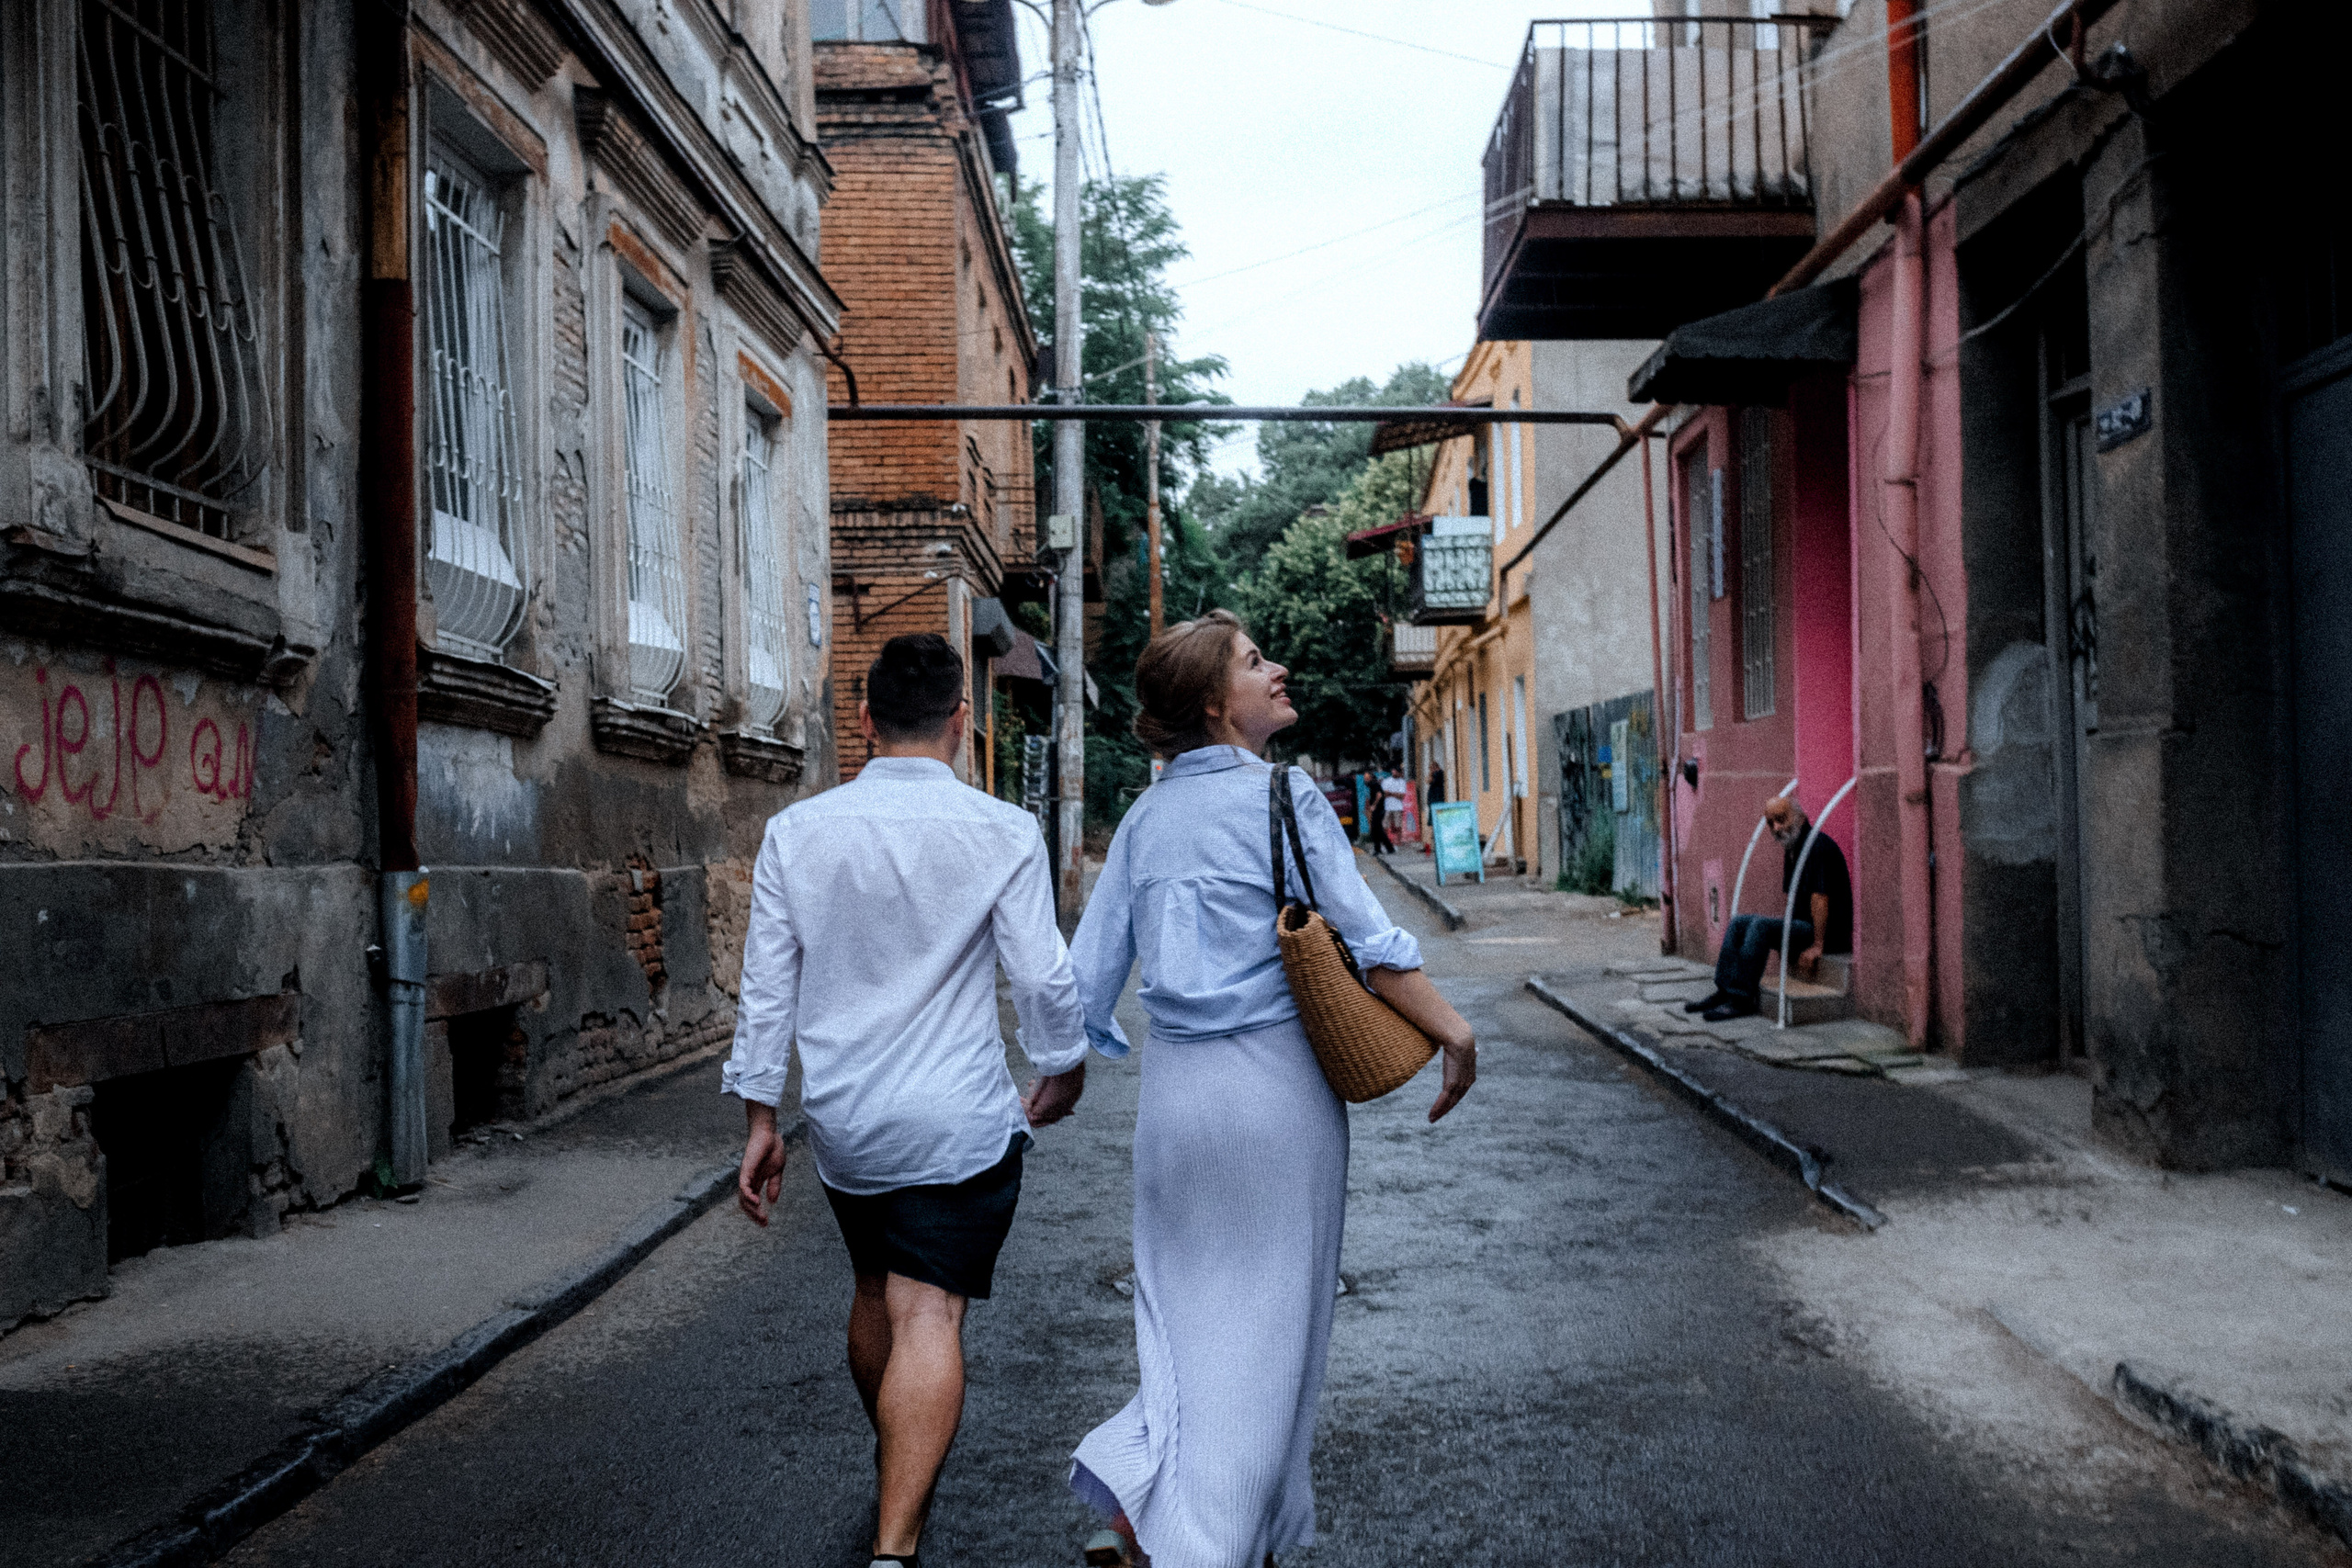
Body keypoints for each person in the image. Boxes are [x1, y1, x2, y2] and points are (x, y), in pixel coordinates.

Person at [1066, 609, 1478, 1568]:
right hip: (1275, 1100)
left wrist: (1061, 1070)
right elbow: (1374, 947)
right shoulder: (1285, 799)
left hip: (1176, 1106)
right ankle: (1199, 1546)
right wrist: (1453, 1035)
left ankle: (1146, 1512)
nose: (1278, 669)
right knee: (1269, 1334)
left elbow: (1086, 984)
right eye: (1256, 663)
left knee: (1182, 1322)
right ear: (1216, 706)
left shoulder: (1143, 819)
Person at [723, 633, 1090, 1568]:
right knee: (928, 1311)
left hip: (847, 1123)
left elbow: (768, 985)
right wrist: (1061, 1066)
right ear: (963, 723)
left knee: (873, 1291)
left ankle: (899, 1468)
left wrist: (762, 1117)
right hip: (959, 1123)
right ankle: (894, 1544)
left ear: (863, 720)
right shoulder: (1002, 830)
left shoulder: (798, 834)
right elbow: (1041, 976)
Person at [1686, 794, 1853, 1022]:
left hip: (1828, 934)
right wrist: (1787, 930)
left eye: (1781, 819)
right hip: (1805, 927)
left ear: (1801, 818)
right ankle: (1724, 991)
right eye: (1770, 822)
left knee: (1760, 926)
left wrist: (1817, 945)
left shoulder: (1816, 846)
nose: (1775, 827)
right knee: (1739, 923)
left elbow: (1820, 898)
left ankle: (1741, 998)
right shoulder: (1792, 848)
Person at [1379, 767, 1408, 850]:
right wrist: (1395, 794)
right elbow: (1383, 794)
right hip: (1387, 806)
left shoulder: (1402, 782)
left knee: (1398, 825)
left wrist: (1390, 793)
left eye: (1396, 772)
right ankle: (1386, 841)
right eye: (1393, 772)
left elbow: (1401, 796)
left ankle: (1398, 841)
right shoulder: (1386, 781)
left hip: (1398, 806)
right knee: (1385, 825)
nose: (1394, 774)